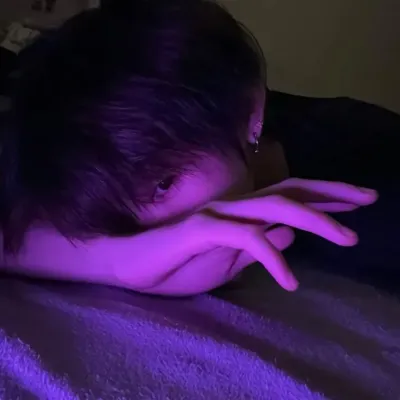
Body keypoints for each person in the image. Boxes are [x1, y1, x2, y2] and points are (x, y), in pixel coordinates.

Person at [0, 0, 378, 296]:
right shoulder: (54, 149)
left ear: (251, 114)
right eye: (106, 217)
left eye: (164, 185)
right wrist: (117, 262)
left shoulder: (367, 161)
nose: (154, 230)